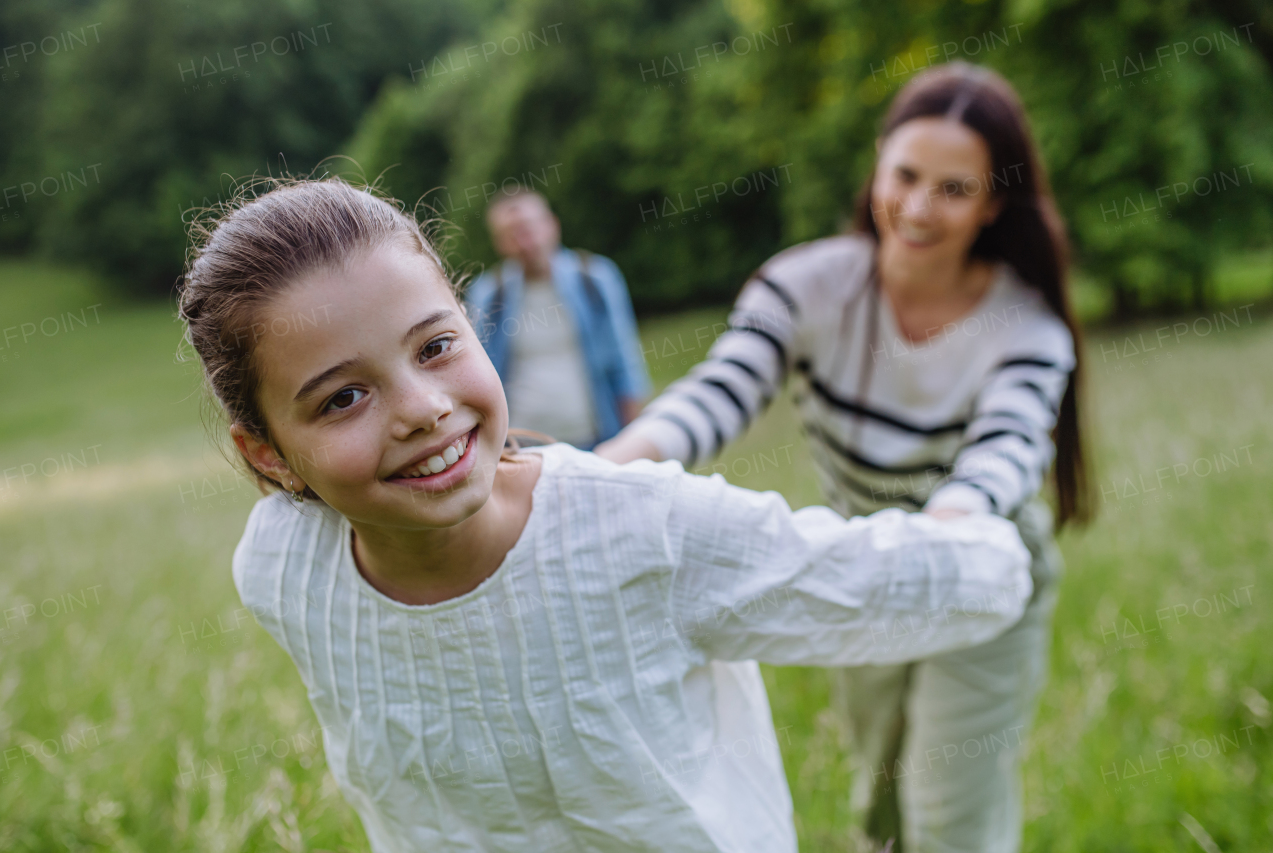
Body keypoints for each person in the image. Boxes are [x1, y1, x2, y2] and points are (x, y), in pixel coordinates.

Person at [178, 177, 1035, 853]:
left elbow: (869, 582)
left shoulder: (640, 529)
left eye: (436, 346)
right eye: (344, 397)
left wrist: (983, 536)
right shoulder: (283, 570)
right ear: (267, 453)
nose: (422, 409)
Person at [596, 62, 1089, 853]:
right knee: (881, 803)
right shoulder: (808, 285)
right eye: (906, 175)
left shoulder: (1025, 328)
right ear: (879, 162)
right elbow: (717, 393)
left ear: (994, 202)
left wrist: (936, 539)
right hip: (861, 558)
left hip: (975, 561)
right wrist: (600, 470)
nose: (919, 207)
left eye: (954, 190)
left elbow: (1003, 456)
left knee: (945, 807)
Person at [462, 189, 650, 449]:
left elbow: (624, 361)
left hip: (596, 439)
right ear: (500, 243)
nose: (525, 241)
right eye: (512, 234)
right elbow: (478, 376)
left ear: (552, 225)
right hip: (522, 446)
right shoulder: (488, 294)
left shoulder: (595, 277)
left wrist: (633, 441)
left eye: (528, 228)